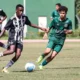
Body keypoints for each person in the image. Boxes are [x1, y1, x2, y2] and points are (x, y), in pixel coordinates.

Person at [0, 4, 46, 73]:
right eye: (20, 10)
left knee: (18, 54)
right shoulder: (12, 19)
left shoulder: (24, 18)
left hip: (20, 39)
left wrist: (41, 28)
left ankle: (5, 68)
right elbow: (4, 29)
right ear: (16, 10)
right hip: (12, 38)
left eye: (22, 10)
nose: (21, 12)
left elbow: (31, 24)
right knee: (11, 50)